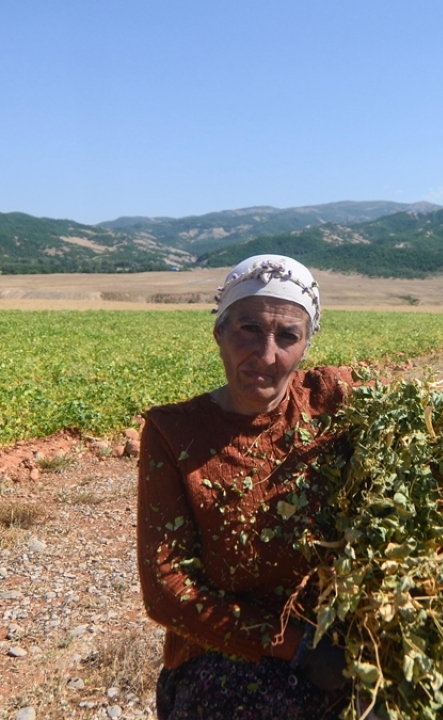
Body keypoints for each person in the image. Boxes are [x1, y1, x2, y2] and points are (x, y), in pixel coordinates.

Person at [137, 255, 352, 719]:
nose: (266, 354)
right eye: (249, 329)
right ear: (219, 332)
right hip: (224, 651)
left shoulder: (330, 400)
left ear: (306, 347)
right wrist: (296, 647)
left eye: (288, 337)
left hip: (343, 639)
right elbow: (167, 589)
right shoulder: (175, 433)